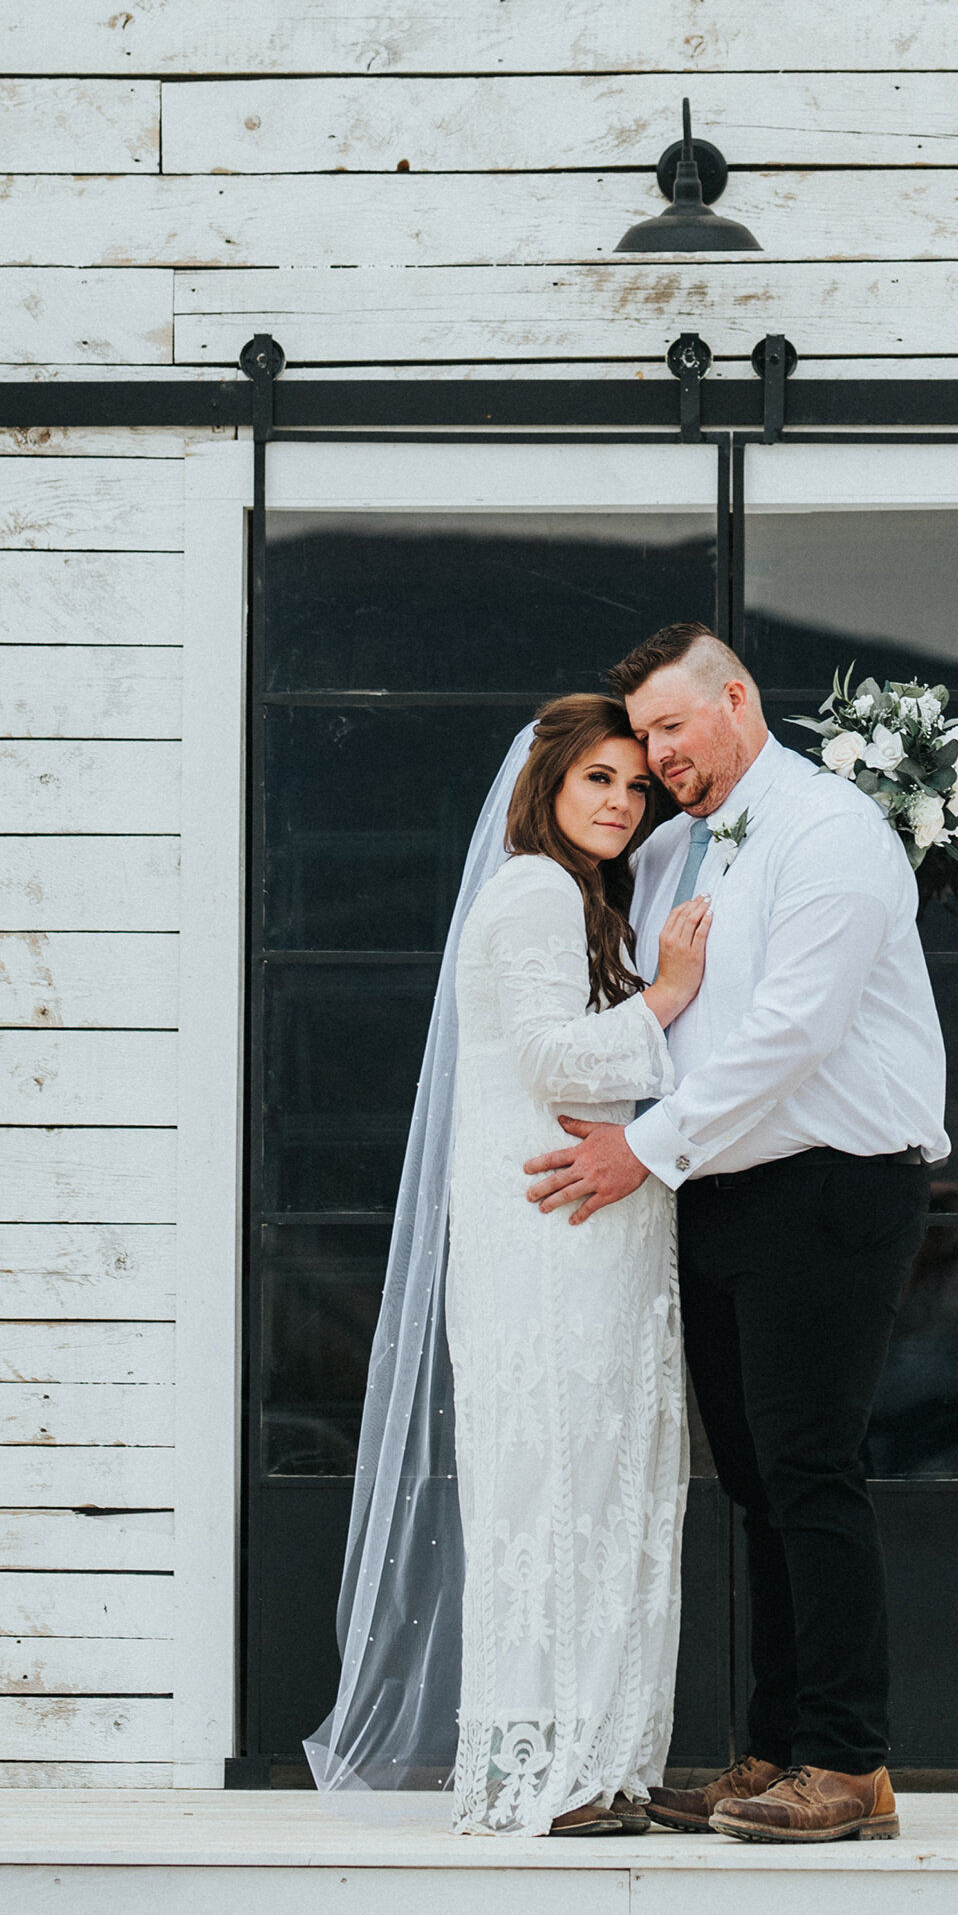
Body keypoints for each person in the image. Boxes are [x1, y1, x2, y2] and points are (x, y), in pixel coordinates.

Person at [526, 625, 949, 1846]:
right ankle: (774, 1749)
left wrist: (639, 1148)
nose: (657, 755)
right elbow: (655, 1011)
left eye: (672, 727)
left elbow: (792, 1033)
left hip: (833, 1186)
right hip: (719, 1192)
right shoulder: (672, 851)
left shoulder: (832, 833)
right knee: (759, 1486)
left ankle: (851, 1762)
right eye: (644, 735)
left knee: (812, 1471)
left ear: (735, 699)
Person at [303, 692, 711, 1835]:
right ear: (548, 785)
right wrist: (670, 999)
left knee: (608, 1482)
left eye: (637, 786)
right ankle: (544, 1769)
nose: (624, 803)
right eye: (600, 780)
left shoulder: (589, 903)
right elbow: (547, 1058)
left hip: (602, 1227)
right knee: (555, 1483)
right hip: (549, 1235)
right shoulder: (534, 888)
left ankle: (603, 1760)